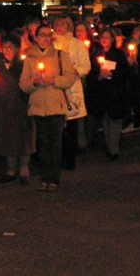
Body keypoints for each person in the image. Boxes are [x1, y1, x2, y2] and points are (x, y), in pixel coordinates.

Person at [19, 24, 77, 191]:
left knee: (55, 143)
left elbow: (70, 77)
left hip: (56, 105)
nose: (45, 38)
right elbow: (23, 84)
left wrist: (54, 80)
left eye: (47, 35)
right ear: (36, 38)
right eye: (42, 35)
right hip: (38, 106)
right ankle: (45, 177)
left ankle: (54, 178)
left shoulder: (60, 55)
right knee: (43, 143)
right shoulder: (29, 58)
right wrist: (34, 82)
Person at [0, 34, 32, 185]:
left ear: (17, 49)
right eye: (4, 47)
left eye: (10, 47)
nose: (7, 50)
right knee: (6, 136)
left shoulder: (23, 64)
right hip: (3, 106)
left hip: (21, 105)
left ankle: (24, 168)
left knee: (23, 136)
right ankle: (11, 169)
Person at [52, 16, 91, 170]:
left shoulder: (76, 44)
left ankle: (70, 159)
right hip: (55, 88)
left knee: (72, 126)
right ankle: (58, 157)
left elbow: (85, 66)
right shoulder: (50, 43)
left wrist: (73, 72)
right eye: (56, 24)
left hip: (72, 87)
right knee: (57, 127)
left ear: (68, 26)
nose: (59, 27)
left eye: (62, 24)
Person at [86, 28, 130, 160]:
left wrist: (111, 75)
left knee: (115, 121)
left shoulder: (118, 54)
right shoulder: (96, 54)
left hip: (115, 93)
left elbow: (125, 73)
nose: (104, 39)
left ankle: (114, 149)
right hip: (101, 94)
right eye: (102, 37)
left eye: (107, 37)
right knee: (105, 121)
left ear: (112, 39)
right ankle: (109, 145)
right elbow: (91, 74)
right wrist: (98, 77)